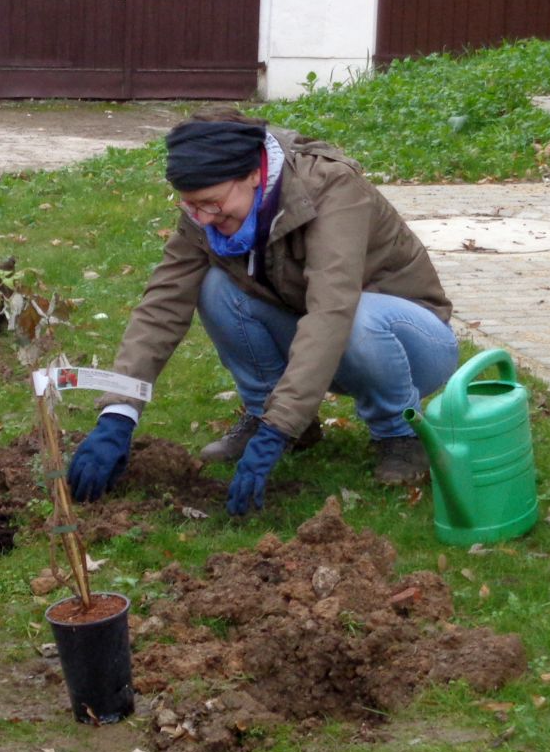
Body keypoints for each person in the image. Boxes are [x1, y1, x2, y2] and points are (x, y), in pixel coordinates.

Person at [66, 109, 458, 517]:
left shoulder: (331, 188)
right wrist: (120, 411)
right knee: (214, 286)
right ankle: (272, 415)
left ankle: (399, 433)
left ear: (254, 173)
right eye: (191, 206)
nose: (202, 218)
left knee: (358, 315)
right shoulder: (208, 212)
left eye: (212, 204)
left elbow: (331, 310)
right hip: (327, 343)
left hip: (412, 343)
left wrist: (277, 430)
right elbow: (162, 303)